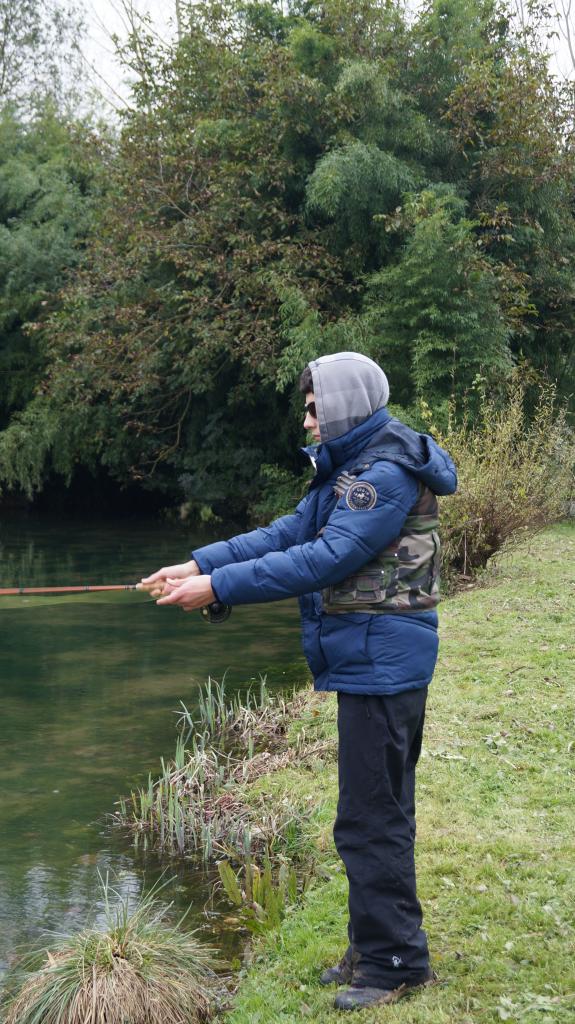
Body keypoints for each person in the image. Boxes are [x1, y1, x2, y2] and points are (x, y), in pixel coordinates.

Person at [142, 352, 457, 1012]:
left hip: (381, 668)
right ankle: (377, 946)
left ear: (341, 407)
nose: (306, 421)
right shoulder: (350, 468)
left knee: (370, 821)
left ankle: (395, 962)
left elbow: (323, 558)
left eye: (313, 409)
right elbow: (289, 532)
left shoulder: (382, 477)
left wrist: (216, 587)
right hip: (375, 664)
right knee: (375, 816)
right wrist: (197, 562)